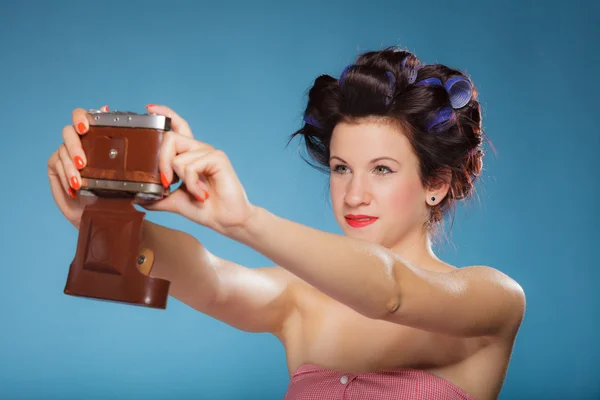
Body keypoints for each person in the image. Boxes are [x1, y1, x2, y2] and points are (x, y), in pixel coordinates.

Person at [47, 47, 525, 400]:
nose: (353, 194)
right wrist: (94, 214)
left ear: (435, 184)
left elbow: (391, 292)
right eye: (341, 168)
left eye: (382, 169)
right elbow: (209, 280)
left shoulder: (493, 300)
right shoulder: (299, 300)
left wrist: (245, 220)